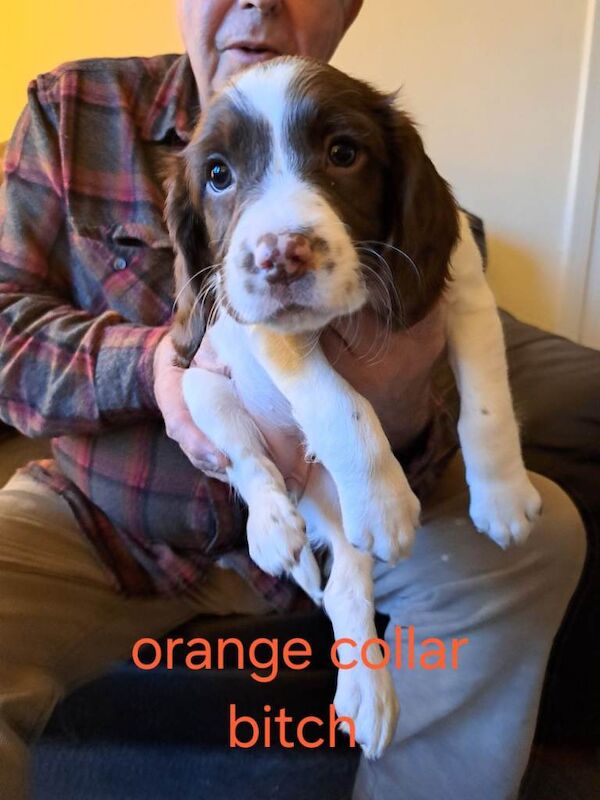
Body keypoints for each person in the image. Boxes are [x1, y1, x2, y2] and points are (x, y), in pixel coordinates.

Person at [0, 1, 587, 798]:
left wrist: (403, 407)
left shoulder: (409, 191)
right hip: (104, 526)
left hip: (349, 518)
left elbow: (448, 401)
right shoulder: (72, 114)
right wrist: (156, 372)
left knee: (541, 537)